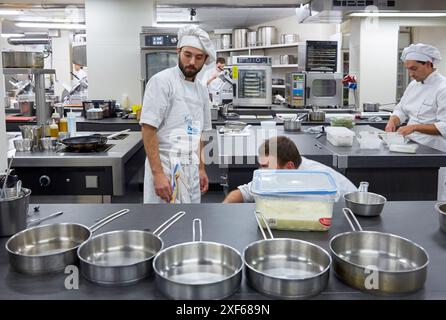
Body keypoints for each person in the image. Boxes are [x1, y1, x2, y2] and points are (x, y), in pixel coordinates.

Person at [139, 25, 215, 203]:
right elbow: (148, 129)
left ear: (205, 60)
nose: (191, 62)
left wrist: (201, 169)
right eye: (187, 55)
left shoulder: (202, 91)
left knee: (188, 222)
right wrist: (158, 175)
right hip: (165, 166)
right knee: (163, 223)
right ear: (178, 51)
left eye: (198, 57)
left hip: (191, 168)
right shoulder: (161, 82)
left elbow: (200, 133)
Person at [223, 136, 357, 203]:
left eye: (266, 166)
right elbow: (243, 193)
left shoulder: (316, 183)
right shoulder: (277, 173)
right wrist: (224, 206)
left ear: (289, 167)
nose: (261, 171)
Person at [385, 43, 446, 152]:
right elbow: (401, 109)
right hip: (410, 143)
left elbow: (444, 126)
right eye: (408, 69)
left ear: (428, 64)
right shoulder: (413, 85)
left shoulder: (442, 88)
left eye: (414, 68)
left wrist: (414, 127)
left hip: (433, 148)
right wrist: (393, 121)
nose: (411, 74)